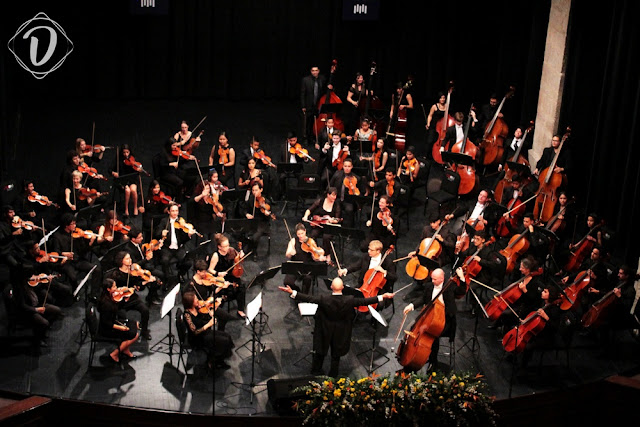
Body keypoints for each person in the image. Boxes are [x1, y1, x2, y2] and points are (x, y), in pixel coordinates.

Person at [278, 277, 394, 377]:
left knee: (320, 352)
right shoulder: (350, 300)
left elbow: (308, 298)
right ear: (343, 287)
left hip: (324, 329)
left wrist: (292, 292)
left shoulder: (324, 299)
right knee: (336, 354)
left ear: (331, 287)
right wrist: (382, 296)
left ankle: (316, 371)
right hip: (341, 331)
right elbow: (365, 301)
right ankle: (333, 374)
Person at [402, 268, 467, 371]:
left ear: (442, 279)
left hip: (446, 320)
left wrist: (462, 278)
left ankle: (433, 362)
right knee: (413, 325)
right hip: (430, 316)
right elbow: (423, 298)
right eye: (432, 278)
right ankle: (412, 354)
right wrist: (411, 305)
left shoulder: (450, 286)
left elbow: (461, 291)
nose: (432, 281)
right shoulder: (429, 286)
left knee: (432, 334)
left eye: (435, 279)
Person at [107, 251, 157, 340]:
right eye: (127, 259)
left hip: (132, 297)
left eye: (130, 258)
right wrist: (120, 291)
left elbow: (138, 286)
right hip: (120, 300)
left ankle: (144, 331)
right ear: (121, 261)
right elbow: (112, 290)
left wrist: (146, 281)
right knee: (122, 316)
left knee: (145, 310)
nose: (130, 260)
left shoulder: (133, 272)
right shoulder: (115, 274)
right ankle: (124, 335)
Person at [50, 213, 103, 298]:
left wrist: (90, 243)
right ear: (66, 225)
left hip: (77, 260)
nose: (75, 226)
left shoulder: (77, 234)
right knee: (73, 277)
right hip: (66, 262)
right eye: (73, 224)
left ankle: (94, 294)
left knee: (97, 269)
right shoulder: (57, 236)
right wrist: (64, 254)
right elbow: (55, 252)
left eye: (75, 223)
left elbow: (83, 251)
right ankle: (74, 294)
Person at [182, 291, 234, 370]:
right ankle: (216, 361)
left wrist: (213, 309)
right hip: (197, 338)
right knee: (224, 340)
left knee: (227, 336)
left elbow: (203, 318)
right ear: (190, 302)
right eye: (195, 299)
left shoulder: (197, 307)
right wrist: (208, 324)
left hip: (204, 332)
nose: (198, 300)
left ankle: (220, 356)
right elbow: (195, 332)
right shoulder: (187, 315)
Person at [98, 278, 140, 362]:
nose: (117, 288)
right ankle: (115, 354)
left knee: (135, 324)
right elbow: (106, 322)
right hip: (107, 329)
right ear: (108, 289)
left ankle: (125, 349)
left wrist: (125, 299)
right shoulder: (106, 304)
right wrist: (121, 328)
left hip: (114, 320)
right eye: (114, 287)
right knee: (135, 335)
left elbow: (118, 308)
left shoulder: (110, 297)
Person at [155, 203, 196, 287]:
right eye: (173, 211)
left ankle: (180, 274)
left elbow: (184, 240)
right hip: (167, 248)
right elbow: (156, 234)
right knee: (164, 261)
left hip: (179, 247)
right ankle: (166, 279)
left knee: (188, 262)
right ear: (168, 212)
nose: (175, 213)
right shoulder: (164, 221)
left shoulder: (181, 221)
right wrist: (161, 233)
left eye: (176, 211)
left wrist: (188, 235)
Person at [207, 233, 247, 317]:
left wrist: (241, 256)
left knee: (241, 287)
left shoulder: (231, 250)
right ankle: (217, 311)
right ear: (219, 247)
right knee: (222, 292)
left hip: (231, 275)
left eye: (228, 245)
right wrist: (218, 273)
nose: (227, 247)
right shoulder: (216, 256)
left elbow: (238, 260)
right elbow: (210, 270)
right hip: (220, 279)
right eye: (225, 246)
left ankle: (240, 310)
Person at [124, 227, 165, 305]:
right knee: (154, 281)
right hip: (137, 271)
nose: (142, 239)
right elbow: (134, 266)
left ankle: (154, 294)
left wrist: (156, 246)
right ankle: (151, 298)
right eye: (139, 237)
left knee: (161, 274)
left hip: (146, 266)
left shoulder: (139, 244)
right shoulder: (128, 250)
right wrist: (146, 259)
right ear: (133, 239)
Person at [284, 223, 328, 294]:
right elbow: (287, 255)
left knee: (307, 278)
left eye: (302, 233)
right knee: (287, 282)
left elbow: (314, 257)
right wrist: (290, 253)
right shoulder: (293, 241)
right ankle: (296, 291)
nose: (301, 236)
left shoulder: (311, 241)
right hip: (296, 266)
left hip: (307, 266)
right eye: (299, 234)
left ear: (305, 231)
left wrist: (319, 258)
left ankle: (304, 296)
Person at [302, 187, 341, 256]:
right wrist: (305, 216)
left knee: (326, 237)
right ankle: (313, 253)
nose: (335, 197)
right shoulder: (320, 201)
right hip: (319, 224)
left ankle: (326, 255)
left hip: (329, 227)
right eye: (333, 195)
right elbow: (309, 210)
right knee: (313, 235)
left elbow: (337, 219)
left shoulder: (336, 205)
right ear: (328, 195)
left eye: (335, 195)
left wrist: (331, 220)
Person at [111, 144, 144, 217]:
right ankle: (126, 209)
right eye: (124, 152)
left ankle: (136, 207)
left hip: (132, 180)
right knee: (127, 191)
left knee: (133, 190)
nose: (126, 154)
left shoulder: (132, 159)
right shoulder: (118, 160)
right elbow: (110, 169)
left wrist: (139, 169)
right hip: (122, 181)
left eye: (127, 152)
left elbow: (138, 168)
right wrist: (114, 173)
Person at [241, 182, 273, 257]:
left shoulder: (266, 201)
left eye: (256, 190)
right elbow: (244, 209)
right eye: (253, 190)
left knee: (255, 236)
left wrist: (267, 214)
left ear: (261, 190)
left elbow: (270, 215)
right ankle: (246, 249)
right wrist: (246, 214)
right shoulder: (251, 199)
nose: (254, 192)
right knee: (240, 231)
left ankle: (253, 252)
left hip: (263, 223)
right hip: (252, 221)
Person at [301, 65, 329, 143]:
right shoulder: (306, 80)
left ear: (318, 71)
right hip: (309, 104)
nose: (314, 72)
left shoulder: (322, 79)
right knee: (308, 122)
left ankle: (313, 137)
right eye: (313, 70)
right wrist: (303, 106)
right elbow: (303, 93)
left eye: (316, 70)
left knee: (315, 122)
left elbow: (325, 88)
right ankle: (306, 138)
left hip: (318, 105)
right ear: (311, 71)